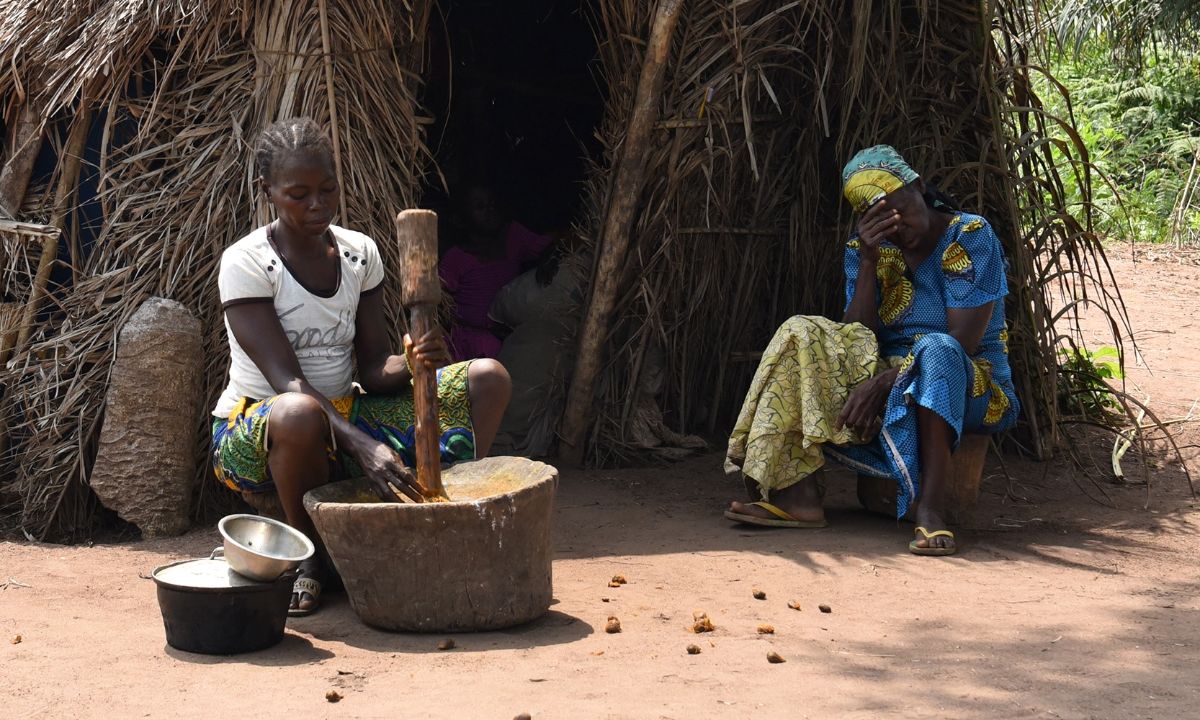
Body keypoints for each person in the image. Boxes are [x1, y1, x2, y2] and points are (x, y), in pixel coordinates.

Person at [210, 118, 512, 615]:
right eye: (298, 195)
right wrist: (363, 445)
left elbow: (372, 368)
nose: (317, 205)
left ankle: (445, 519)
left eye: (327, 190)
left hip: (346, 415)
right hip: (259, 427)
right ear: (268, 192)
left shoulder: (358, 254)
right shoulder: (247, 263)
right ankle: (308, 559)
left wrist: (410, 361)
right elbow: (288, 382)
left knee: (488, 379)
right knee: (299, 413)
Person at [724, 145, 1019, 556]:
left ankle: (931, 511)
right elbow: (856, 337)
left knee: (937, 349)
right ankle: (799, 496)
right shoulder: (868, 248)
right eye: (882, 220)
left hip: (970, 380)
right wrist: (867, 259)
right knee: (800, 331)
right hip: (890, 371)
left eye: (900, 210)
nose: (896, 226)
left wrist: (885, 383)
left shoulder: (968, 235)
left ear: (919, 187)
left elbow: (962, 341)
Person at [438, 184, 557, 361]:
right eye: (480, 206)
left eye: (492, 203)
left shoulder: (513, 236)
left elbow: (553, 243)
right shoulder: (456, 258)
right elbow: (440, 304)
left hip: (509, 332)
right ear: (460, 219)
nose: (490, 210)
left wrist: (549, 257)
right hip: (468, 339)